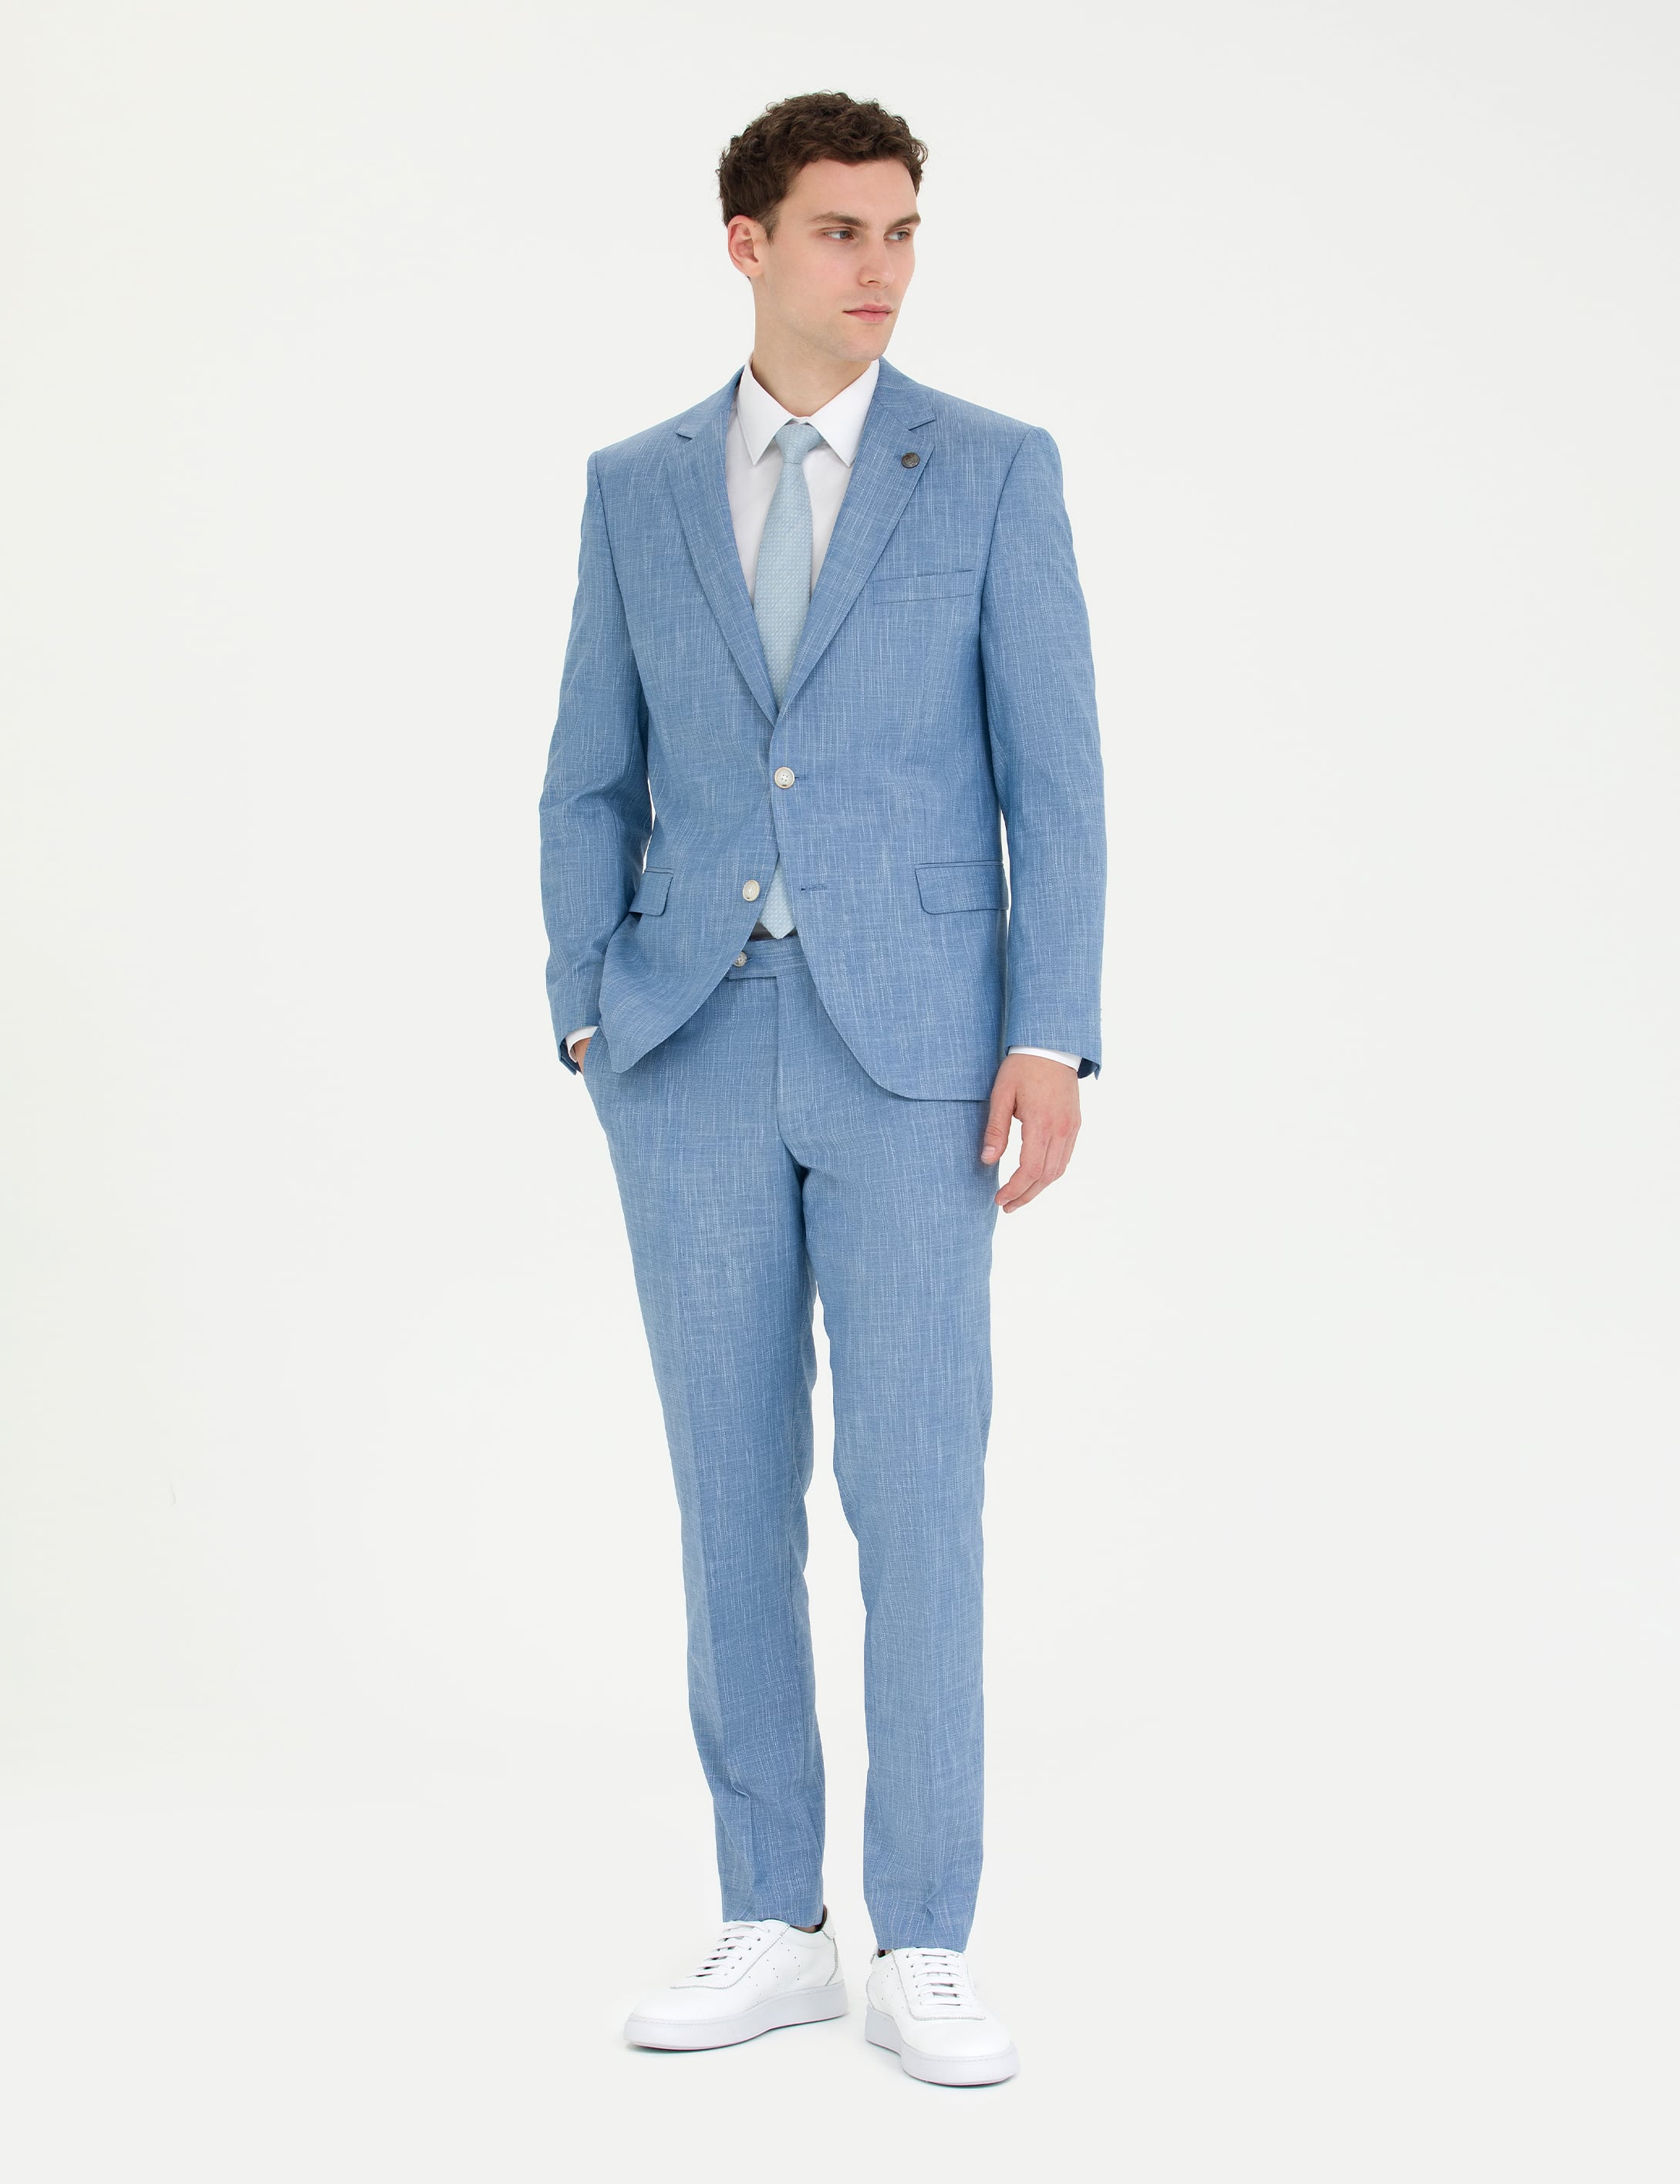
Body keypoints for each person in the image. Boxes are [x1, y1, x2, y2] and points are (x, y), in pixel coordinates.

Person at [538, 90, 1105, 2088]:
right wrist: (585, 1007)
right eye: (842, 231)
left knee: (915, 1493)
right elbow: (585, 772)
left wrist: (1049, 1031)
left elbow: (1057, 779)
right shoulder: (634, 486)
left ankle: (923, 1936)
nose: (881, 267)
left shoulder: (993, 471)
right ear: (748, 244)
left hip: (918, 1055)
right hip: (685, 1043)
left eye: (903, 230)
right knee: (727, 1492)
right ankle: (773, 1920)